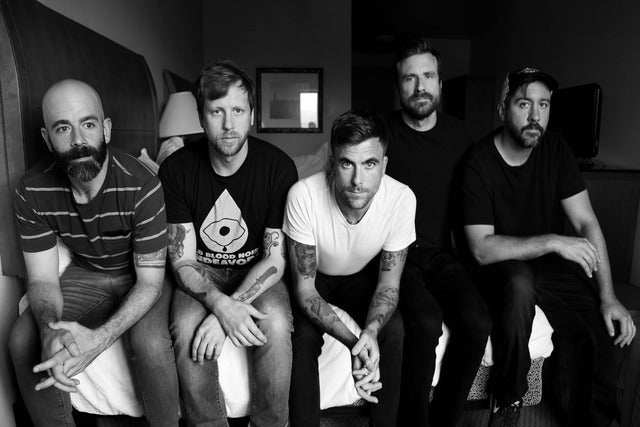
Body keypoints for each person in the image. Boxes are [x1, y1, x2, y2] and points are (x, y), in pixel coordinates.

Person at [462, 67, 636, 427]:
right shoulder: (479, 162)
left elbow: (585, 222)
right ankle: (508, 399)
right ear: (503, 109)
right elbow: (481, 248)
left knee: (602, 327)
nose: (535, 116)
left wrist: (607, 296)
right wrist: (554, 241)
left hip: (549, 267)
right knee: (519, 284)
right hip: (499, 267)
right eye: (524, 104)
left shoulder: (556, 148)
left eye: (543, 104)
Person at [9, 79, 178, 427]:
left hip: (140, 275)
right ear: (47, 138)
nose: (78, 140)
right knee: (23, 339)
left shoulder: (143, 185)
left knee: (149, 343)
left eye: (88, 124)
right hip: (87, 273)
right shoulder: (31, 190)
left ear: (106, 129)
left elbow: (149, 284)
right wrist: (49, 331)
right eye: (63, 128)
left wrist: (99, 340)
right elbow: (42, 279)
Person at [159, 61, 297, 427]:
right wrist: (220, 305)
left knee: (276, 323)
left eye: (237, 111)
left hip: (256, 267)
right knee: (186, 328)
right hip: (201, 269)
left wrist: (229, 312)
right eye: (216, 111)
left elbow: (275, 258)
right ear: (201, 118)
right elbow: (182, 260)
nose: (228, 124)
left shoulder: (279, 168)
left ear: (251, 115)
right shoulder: (175, 170)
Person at [379, 37, 492, 427]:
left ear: (440, 84)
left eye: (428, 76)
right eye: (410, 78)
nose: (420, 86)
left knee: (477, 321)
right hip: (395, 255)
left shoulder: (462, 137)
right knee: (425, 324)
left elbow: (479, 200)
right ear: (399, 87)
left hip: (443, 255)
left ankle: (443, 420)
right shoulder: (381, 133)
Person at [284, 110, 415, 427]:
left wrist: (369, 333)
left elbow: (389, 285)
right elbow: (305, 290)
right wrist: (353, 342)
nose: (358, 180)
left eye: (369, 164)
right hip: (315, 279)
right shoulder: (303, 195)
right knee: (302, 337)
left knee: (393, 330)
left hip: (361, 276)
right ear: (332, 163)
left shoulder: (401, 199)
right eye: (347, 164)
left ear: (384, 165)